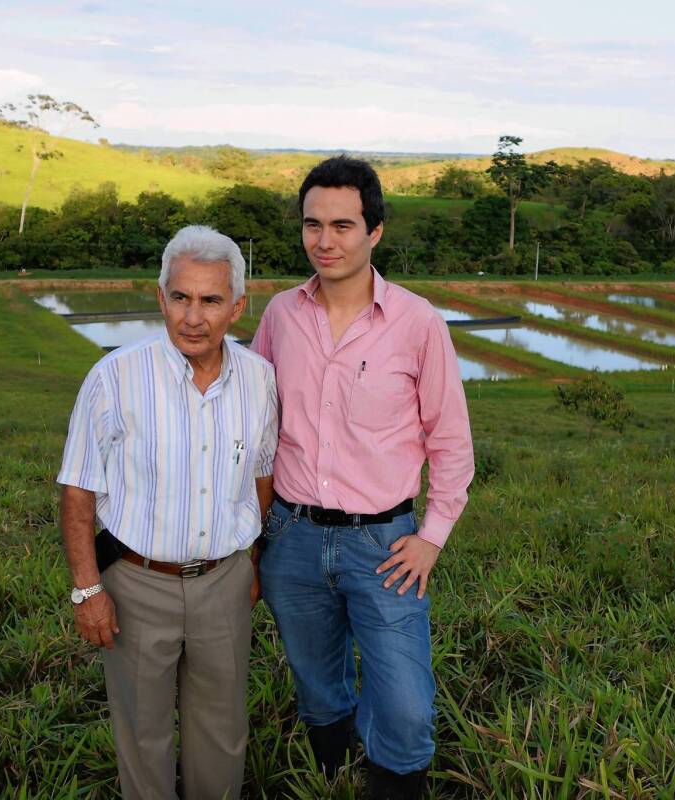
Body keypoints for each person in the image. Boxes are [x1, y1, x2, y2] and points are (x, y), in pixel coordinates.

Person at [251, 156, 474, 798]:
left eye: (343, 225)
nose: (325, 240)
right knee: (318, 686)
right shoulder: (280, 316)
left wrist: (432, 535)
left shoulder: (417, 321)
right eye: (313, 224)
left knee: (404, 706)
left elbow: (452, 442)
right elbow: (258, 424)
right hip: (290, 536)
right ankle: (332, 773)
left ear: (374, 231)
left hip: (385, 544)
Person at [58, 225, 277, 800]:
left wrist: (251, 561)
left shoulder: (259, 380)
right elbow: (78, 491)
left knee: (222, 732)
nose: (193, 317)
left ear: (236, 307)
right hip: (135, 585)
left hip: (224, 583)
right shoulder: (114, 378)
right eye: (180, 297)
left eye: (210, 300)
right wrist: (88, 591)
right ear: (161, 298)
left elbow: (260, 474)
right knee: (143, 735)